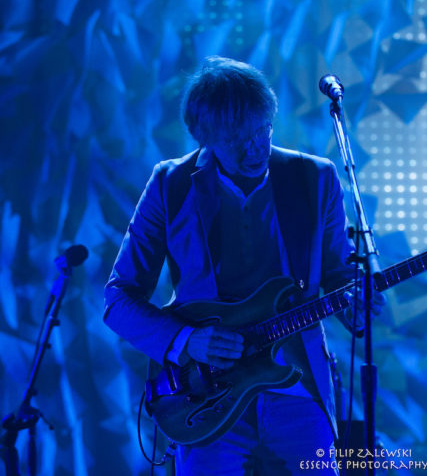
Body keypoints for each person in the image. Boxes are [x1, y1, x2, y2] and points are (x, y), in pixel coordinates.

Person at [104, 56, 384, 475]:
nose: (256, 148)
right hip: (206, 394)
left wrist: (356, 304)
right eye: (238, 139)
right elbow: (118, 298)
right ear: (205, 136)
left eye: (263, 131)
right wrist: (186, 341)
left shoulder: (315, 177)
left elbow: (339, 274)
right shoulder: (170, 183)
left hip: (299, 385)